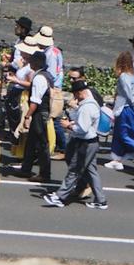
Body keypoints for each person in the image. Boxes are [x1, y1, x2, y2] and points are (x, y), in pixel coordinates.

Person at [44, 72, 106, 209]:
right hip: (91, 142)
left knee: (74, 170)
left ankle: (60, 197)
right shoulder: (90, 104)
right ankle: (100, 200)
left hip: (85, 143)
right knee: (91, 171)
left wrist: (68, 125)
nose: (75, 97)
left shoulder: (86, 108)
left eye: (75, 94)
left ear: (80, 93)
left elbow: (82, 129)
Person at [15, 50, 54, 184]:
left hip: (39, 113)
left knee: (41, 144)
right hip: (41, 112)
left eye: (32, 60)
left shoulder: (39, 78)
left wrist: (27, 116)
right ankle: (26, 168)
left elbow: (35, 101)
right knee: (32, 142)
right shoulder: (47, 75)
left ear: (37, 62)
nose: (29, 62)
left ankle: (44, 173)